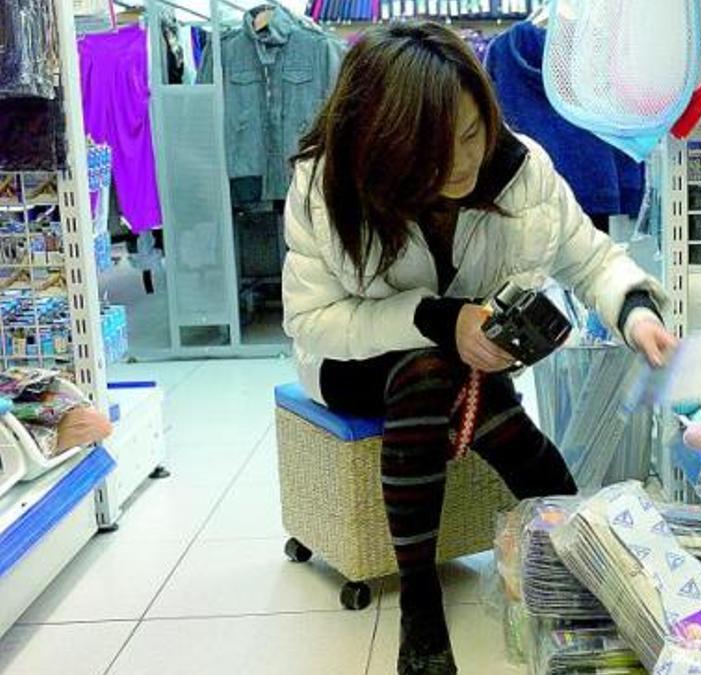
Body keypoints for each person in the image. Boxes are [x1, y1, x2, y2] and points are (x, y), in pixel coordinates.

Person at [281, 22, 675, 675]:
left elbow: (594, 259)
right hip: (351, 358)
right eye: (436, 149)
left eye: (471, 132)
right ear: (387, 145)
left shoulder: (519, 170)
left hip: (470, 356)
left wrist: (636, 311)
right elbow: (313, 319)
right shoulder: (328, 187)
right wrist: (441, 319)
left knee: (488, 409)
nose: (464, 160)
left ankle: (595, 578)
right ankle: (421, 604)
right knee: (430, 369)